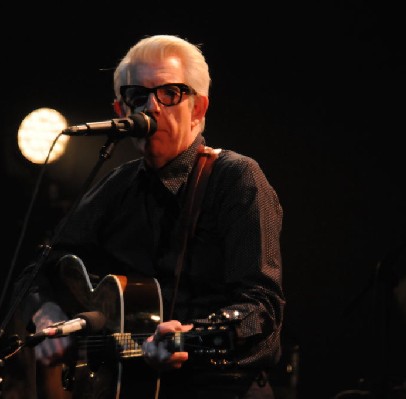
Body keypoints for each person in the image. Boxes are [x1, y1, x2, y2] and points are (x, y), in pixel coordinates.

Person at [15, 34, 285, 399]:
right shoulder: (117, 187)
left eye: (170, 93)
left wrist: (194, 333)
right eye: (137, 96)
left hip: (223, 388)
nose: (152, 107)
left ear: (199, 108)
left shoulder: (236, 178)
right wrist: (46, 314)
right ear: (120, 110)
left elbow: (262, 307)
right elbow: (37, 269)